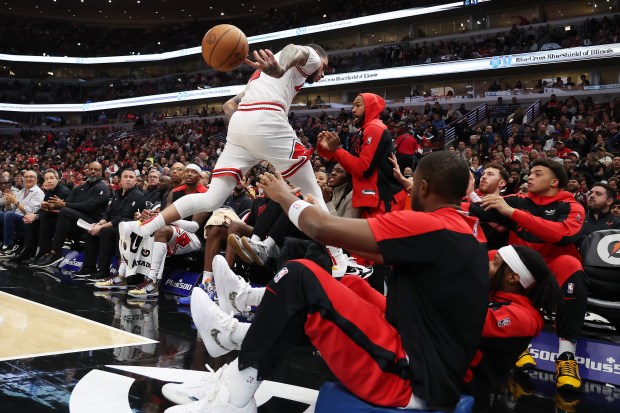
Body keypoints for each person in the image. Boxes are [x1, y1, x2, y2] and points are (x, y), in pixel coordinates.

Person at [162, 151, 488, 413]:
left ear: (424, 187)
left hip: (413, 379)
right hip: (431, 362)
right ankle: (237, 359)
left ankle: (235, 366)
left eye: (413, 182)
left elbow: (321, 227)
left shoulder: (431, 227)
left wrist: (284, 197)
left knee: (300, 275)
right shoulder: (466, 228)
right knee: (348, 283)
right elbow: (354, 244)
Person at [133, 44, 352, 276]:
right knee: (313, 191)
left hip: (239, 127)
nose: (323, 72)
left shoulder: (257, 79)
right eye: (325, 67)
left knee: (211, 198)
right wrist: (279, 69)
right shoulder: (310, 58)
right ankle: (338, 258)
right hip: (266, 118)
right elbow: (294, 50)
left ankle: (148, 225)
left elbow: (229, 105)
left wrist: (245, 131)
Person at [468, 158, 587, 391]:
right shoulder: (517, 200)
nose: (529, 177)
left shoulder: (571, 206)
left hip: (552, 270)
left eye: (537, 173)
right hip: (521, 266)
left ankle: (566, 356)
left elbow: (562, 235)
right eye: (529, 172)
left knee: (570, 264)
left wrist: (513, 214)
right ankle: (516, 343)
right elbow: (474, 208)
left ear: (554, 182)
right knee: (485, 258)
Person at [105, 164, 209, 295]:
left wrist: (162, 218)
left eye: (193, 172)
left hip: (194, 238)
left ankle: (152, 282)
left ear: (199, 177)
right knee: (136, 227)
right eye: (187, 171)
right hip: (172, 231)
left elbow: (194, 227)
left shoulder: (205, 194)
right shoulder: (175, 192)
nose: (189, 174)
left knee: (161, 230)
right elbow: (165, 217)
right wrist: (149, 216)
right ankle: (122, 276)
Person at [317, 93, 407, 219]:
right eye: (353, 106)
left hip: (384, 200)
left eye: (358, 105)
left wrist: (337, 149)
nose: (353, 110)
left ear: (370, 107)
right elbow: (351, 164)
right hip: (372, 199)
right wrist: (330, 151)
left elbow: (363, 168)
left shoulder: (374, 128)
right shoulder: (364, 130)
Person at [31, 162, 111, 267]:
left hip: (92, 223)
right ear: (86, 171)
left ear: (101, 172)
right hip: (75, 221)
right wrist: (52, 207)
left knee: (65, 211)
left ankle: (55, 252)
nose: (92, 171)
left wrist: (63, 204)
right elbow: (67, 202)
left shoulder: (102, 188)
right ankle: (43, 252)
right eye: (90, 169)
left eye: (96, 170)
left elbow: (88, 207)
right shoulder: (79, 188)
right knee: (46, 216)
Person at [77, 169, 144, 280]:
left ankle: (104, 270)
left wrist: (101, 227)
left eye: (131, 177)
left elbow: (123, 217)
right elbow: (108, 213)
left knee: (104, 231)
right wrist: (99, 223)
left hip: (127, 228)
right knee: (91, 230)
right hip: (113, 226)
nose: (128, 179)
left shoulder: (137, 196)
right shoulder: (117, 194)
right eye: (125, 177)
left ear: (136, 181)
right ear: (120, 180)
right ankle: (88, 267)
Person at [13, 169, 71, 262]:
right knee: (33, 219)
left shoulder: (64, 191)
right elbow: (43, 209)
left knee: (43, 218)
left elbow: (66, 211)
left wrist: (37, 216)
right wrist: (33, 215)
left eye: (52, 178)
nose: (49, 181)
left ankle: (43, 253)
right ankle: (29, 251)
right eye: (47, 179)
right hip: (51, 219)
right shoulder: (49, 192)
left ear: (58, 179)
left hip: (62, 222)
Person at [0, 169, 44, 256]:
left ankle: (9, 246)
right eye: (26, 177)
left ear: (36, 180)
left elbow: (32, 212)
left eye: (31, 177)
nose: (28, 179)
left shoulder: (38, 193)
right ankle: (1, 242)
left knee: (9, 215)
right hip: (16, 219)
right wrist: (9, 203)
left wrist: (15, 201)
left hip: (28, 222)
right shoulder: (22, 191)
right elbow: (11, 211)